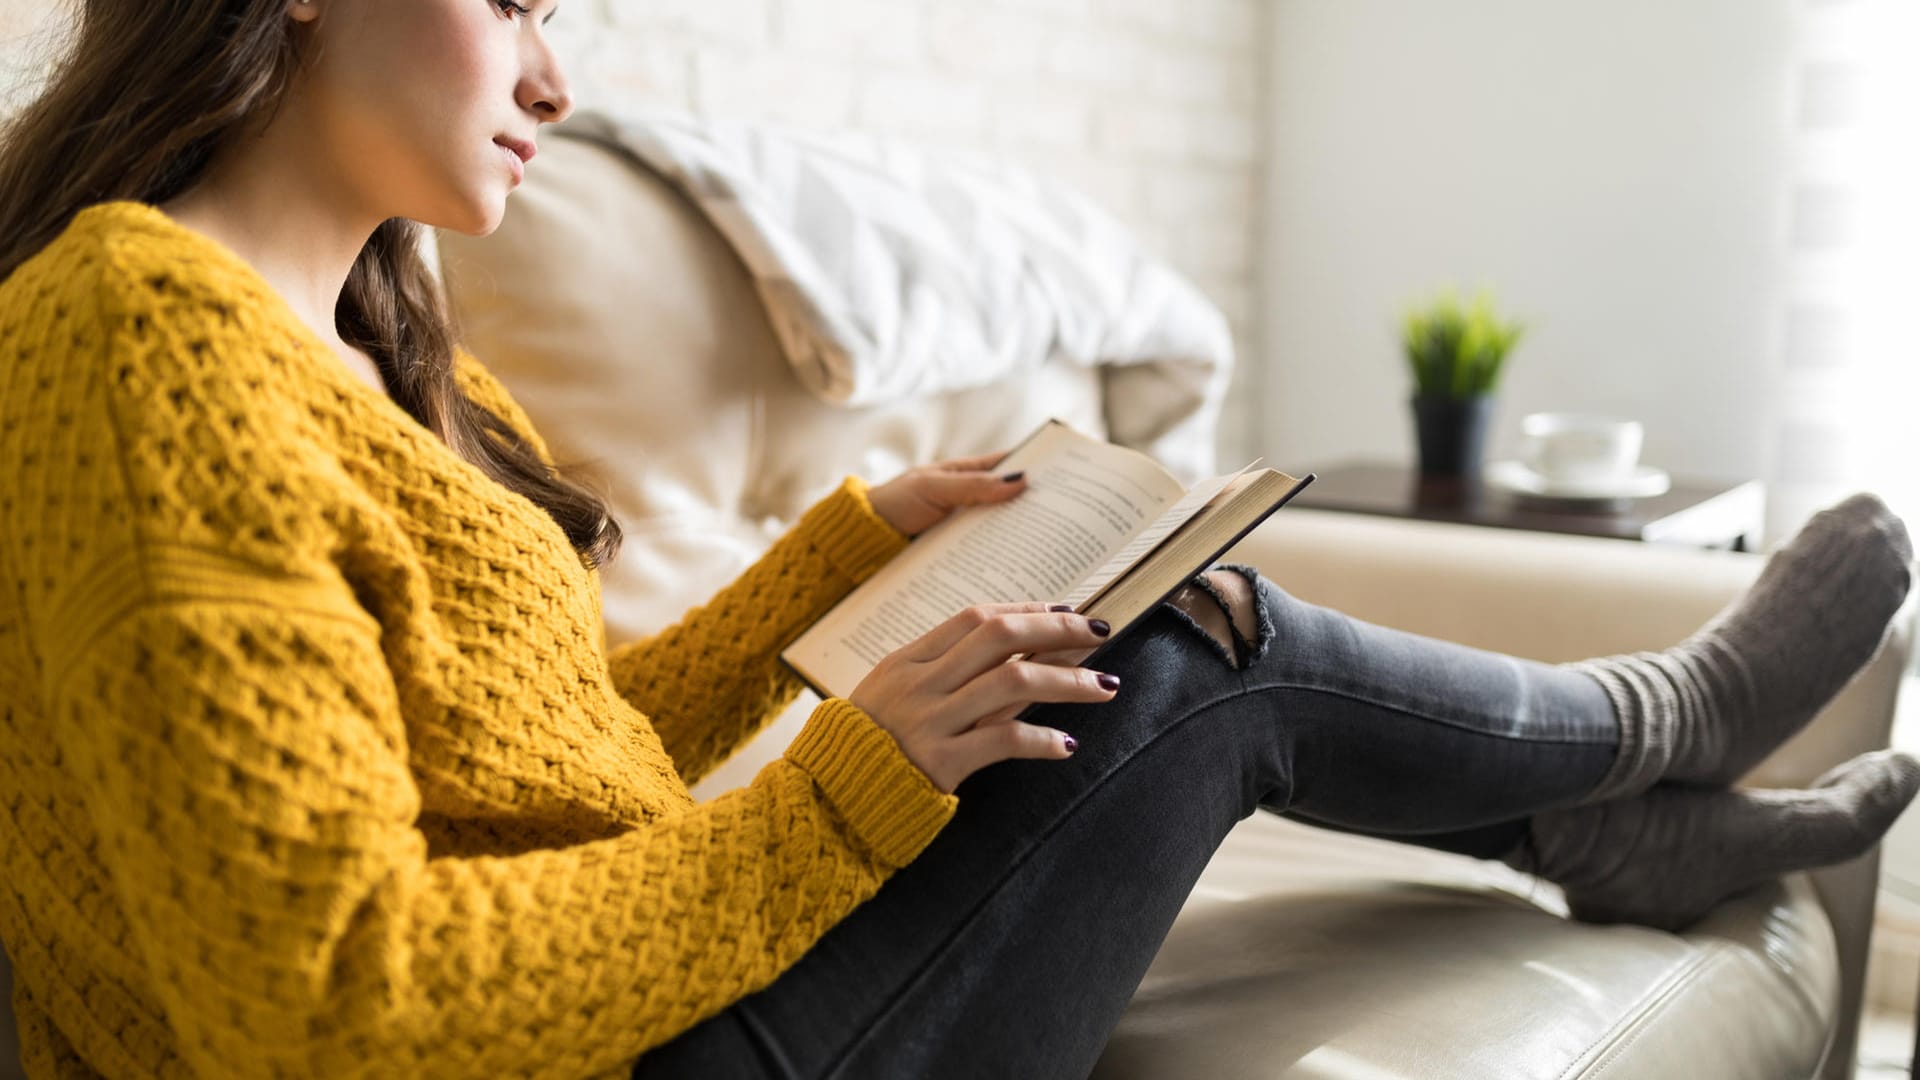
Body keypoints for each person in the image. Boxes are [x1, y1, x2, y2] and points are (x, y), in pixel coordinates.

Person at [0, 2, 1913, 1077]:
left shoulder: (380, 360)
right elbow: (323, 998)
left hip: (637, 1017)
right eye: (512, 4)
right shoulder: (143, 336)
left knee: (1160, 615)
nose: (557, 78)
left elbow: (567, 765)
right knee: (1169, 663)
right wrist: (845, 784)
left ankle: (1598, 801)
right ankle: (1657, 724)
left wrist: (850, 553)